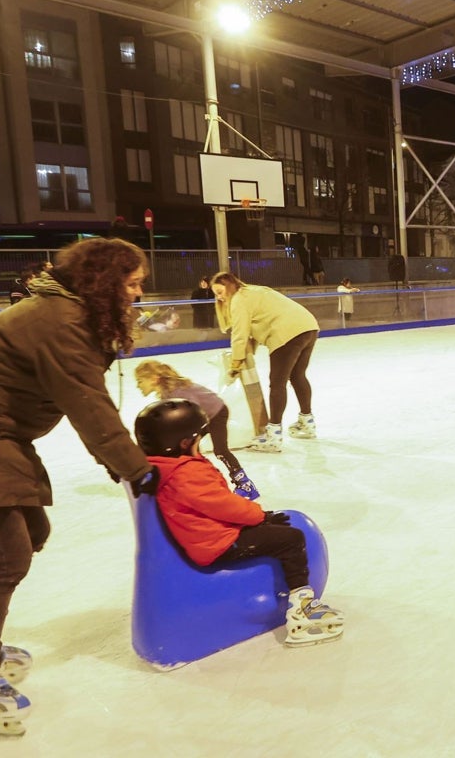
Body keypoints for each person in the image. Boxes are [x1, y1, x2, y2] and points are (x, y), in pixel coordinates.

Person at [0, 237, 158, 736]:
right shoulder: (60, 321)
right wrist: (136, 468)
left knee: (32, 532)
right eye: (132, 284)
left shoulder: (65, 313)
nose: (138, 293)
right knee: (6, 558)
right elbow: (87, 402)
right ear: (104, 282)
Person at [134, 399, 343, 646]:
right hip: (217, 543)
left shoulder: (164, 466)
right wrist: (260, 516)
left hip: (208, 534)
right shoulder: (187, 474)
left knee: (273, 530)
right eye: (200, 439)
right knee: (291, 539)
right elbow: (224, 505)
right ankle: (303, 610)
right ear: (185, 443)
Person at [211, 272, 320, 453]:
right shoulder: (253, 291)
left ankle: (273, 435)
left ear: (229, 286)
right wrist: (247, 355)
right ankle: (307, 423)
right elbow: (254, 330)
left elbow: (240, 334)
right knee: (298, 376)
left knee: (277, 383)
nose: (219, 297)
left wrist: (235, 364)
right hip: (308, 326)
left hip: (286, 333)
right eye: (216, 294)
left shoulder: (239, 299)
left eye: (220, 291)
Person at [134, 360, 258, 500]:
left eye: (140, 381)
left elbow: (194, 412)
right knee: (188, 452)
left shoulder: (177, 392)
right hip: (203, 416)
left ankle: (246, 485)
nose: (138, 386)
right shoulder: (166, 393)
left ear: (153, 379)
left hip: (216, 413)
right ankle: (201, 481)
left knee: (220, 450)